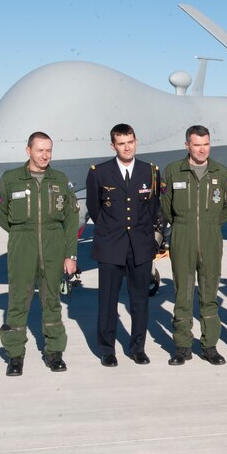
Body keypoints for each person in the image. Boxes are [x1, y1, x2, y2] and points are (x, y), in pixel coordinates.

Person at [0, 132, 79, 376]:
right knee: (18, 302)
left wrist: (70, 254)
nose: (45, 155)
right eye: (40, 150)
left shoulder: (60, 180)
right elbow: (0, 215)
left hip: (53, 244)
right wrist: (21, 233)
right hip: (22, 245)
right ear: (28, 150)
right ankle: (15, 355)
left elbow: (72, 219)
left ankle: (54, 353)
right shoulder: (11, 179)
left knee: (52, 301)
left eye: (49, 150)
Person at [86, 123, 161, 367]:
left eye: (130, 141)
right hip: (110, 244)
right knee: (107, 301)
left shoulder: (150, 172)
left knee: (139, 300)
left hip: (140, 245)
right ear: (113, 145)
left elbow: (152, 208)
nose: (127, 147)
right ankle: (107, 349)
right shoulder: (99, 172)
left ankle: (138, 348)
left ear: (136, 141)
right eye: (121, 143)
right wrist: (112, 230)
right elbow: (95, 210)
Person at [161, 125, 227, 366]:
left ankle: (209, 345)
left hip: (211, 235)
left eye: (206, 144)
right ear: (187, 146)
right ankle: (182, 346)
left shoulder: (220, 173)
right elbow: (166, 207)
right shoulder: (173, 171)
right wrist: (184, 225)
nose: (202, 149)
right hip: (182, 233)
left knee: (209, 293)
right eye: (197, 144)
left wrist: (209, 224)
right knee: (182, 293)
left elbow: (226, 207)